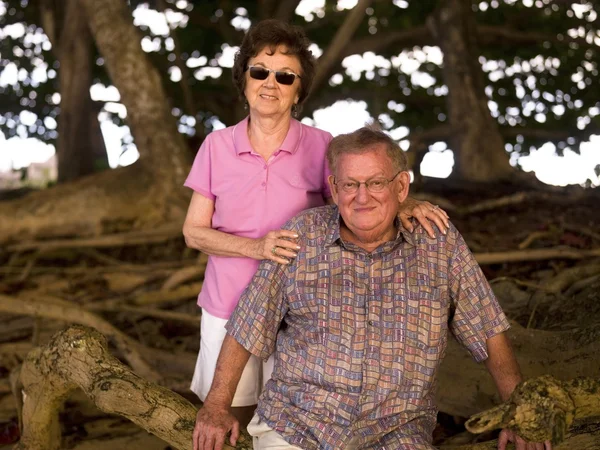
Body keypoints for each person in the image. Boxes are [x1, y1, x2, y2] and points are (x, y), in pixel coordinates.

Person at [192, 126, 552, 450]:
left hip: (398, 431)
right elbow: (248, 324)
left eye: (376, 183)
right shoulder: (301, 236)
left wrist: (521, 413)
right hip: (298, 425)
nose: (362, 197)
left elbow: (486, 327)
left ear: (401, 187)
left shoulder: (437, 241)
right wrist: (216, 406)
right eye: (350, 184)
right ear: (334, 188)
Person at [182, 19, 448, 427]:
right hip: (226, 306)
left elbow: (354, 196)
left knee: (284, 424)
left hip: (301, 312)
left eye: (285, 76)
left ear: (298, 91)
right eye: (260, 71)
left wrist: (403, 201)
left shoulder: (321, 144)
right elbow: (193, 232)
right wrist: (257, 247)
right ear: (245, 79)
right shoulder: (217, 146)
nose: (270, 83)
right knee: (228, 415)